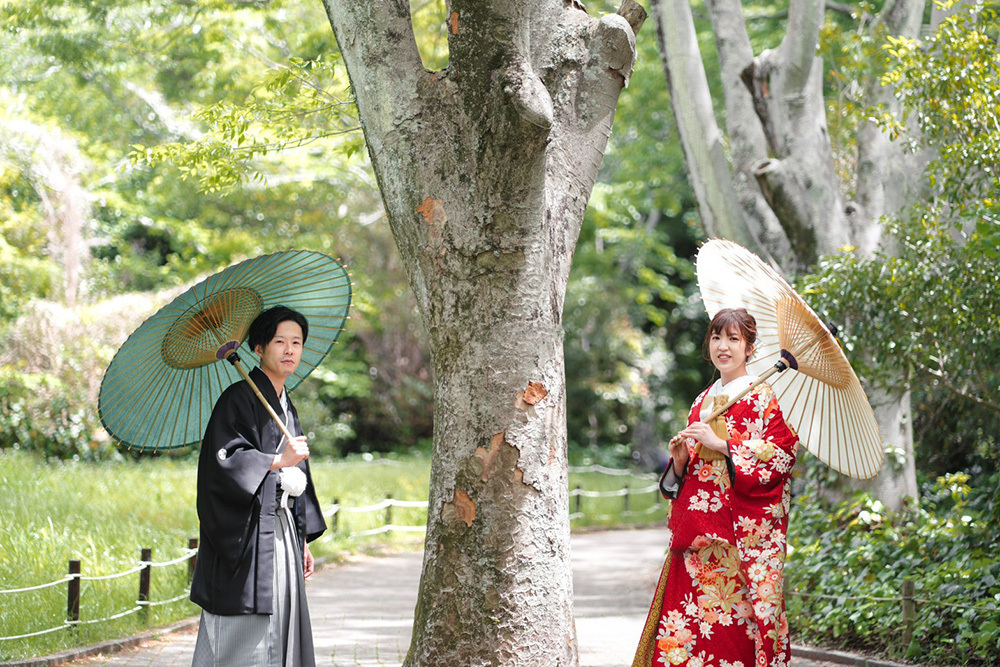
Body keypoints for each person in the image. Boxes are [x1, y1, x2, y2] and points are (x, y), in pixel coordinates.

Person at [632, 308, 799, 667]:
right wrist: (679, 462)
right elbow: (691, 473)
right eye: (717, 337)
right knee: (684, 636)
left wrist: (724, 444)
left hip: (737, 542)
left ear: (750, 348)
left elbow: (782, 455)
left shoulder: (762, 397)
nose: (723, 346)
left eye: (734, 339)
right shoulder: (701, 401)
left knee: (731, 637)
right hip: (695, 539)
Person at [190, 305, 326, 667]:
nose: (289, 350)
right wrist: (276, 461)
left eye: (296, 342)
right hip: (248, 535)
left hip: (280, 530)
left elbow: (297, 482)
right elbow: (224, 464)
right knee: (246, 629)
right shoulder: (236, 400)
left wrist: (301, 540)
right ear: (258, 348)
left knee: (283, 619)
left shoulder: (284, 405)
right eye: (279, 341)